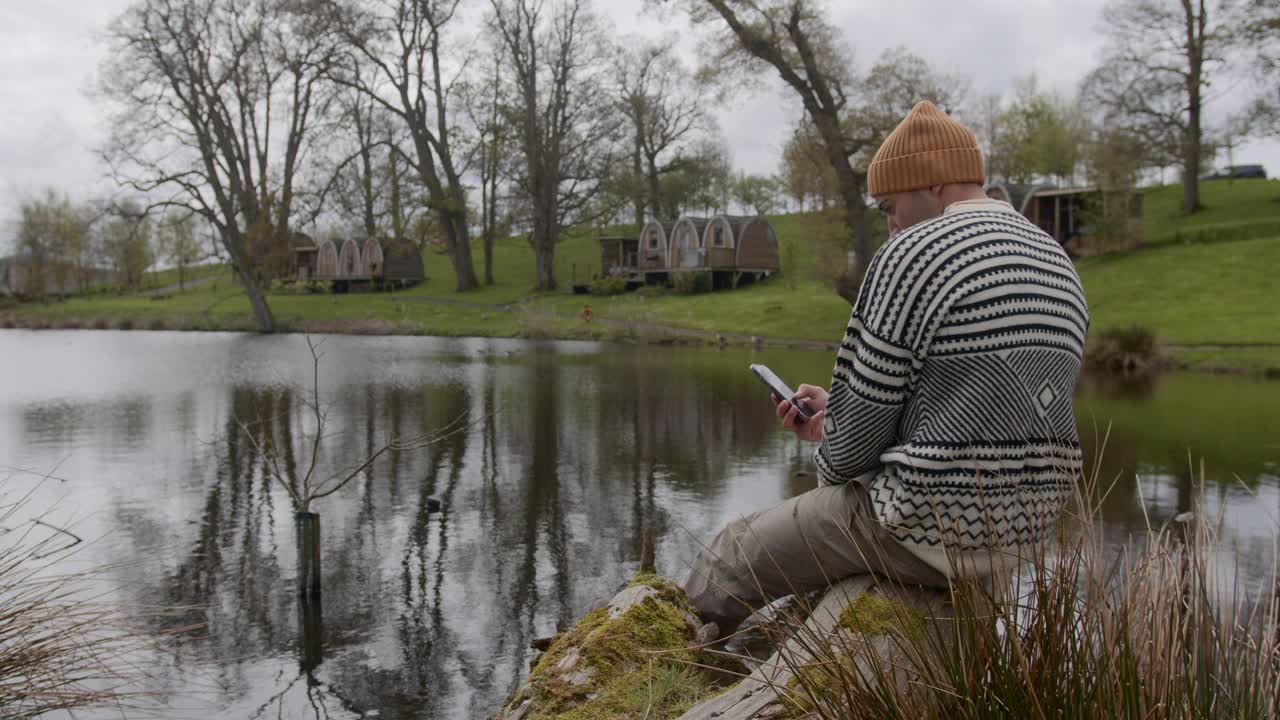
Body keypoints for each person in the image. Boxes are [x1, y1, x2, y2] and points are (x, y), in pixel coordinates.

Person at [683, 100, 1090, 633]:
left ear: (935, 185)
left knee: (730, 553)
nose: (891, 221)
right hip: (1024, 534)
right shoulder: (1056, 260)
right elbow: (974, 406)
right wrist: (847, 416)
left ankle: (669, 669)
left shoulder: (912, 254)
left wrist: (831, 433)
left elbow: (846, 461)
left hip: (927, 529)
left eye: (889, 204)